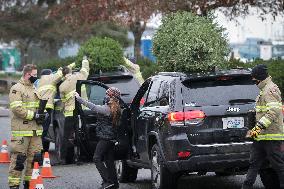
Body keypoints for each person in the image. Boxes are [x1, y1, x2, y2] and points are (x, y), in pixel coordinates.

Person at [242, 64, 284, 189]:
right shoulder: (263, 90)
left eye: (254, 78)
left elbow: (273, 112)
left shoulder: (270, 90)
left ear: (259, 77)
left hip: (272, 137)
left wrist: (257, 128)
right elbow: (262, 113)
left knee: (279, 166)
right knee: (253, 164)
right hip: (260, 137)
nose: (253, 81)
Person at [75, 87, 121, 189]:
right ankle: (114, 184)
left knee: (96, 158)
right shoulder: (116, 107)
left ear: (110, 97)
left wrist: (79, 99)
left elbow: (94, 107)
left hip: (106, 138)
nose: (105, 96)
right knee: (109, 160)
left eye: (107, 94)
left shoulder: (107, 109)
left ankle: (108, 181)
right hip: (111, 138)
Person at [8, 64, 46, 189]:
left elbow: (37, 108)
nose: (36, 77)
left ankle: (29, 184)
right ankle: (14, 186)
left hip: (35, 132)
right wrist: (34, 116)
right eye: (34, 75)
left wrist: (42, 115)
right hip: (22, 132)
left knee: (35, 160)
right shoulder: (17, 88)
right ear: (27, 74)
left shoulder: (34, 89)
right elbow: (17, 108)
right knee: (18, 161)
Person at [37, 63, 75, 152]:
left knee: (41, 131)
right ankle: (38, 152)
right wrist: (72, 65)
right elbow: (61, 73)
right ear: (50, 74)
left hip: (40, 108)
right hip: (47, 107)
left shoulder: (39, 82)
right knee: (44, 130)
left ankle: (37, 150)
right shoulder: (50, 78)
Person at [59, 58, 89, 164]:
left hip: (69, 113)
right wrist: (84, 60)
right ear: (71, 72)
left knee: (67, 136)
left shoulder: (62, 86)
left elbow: (63, 101)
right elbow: (85, 69)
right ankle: (81, 157)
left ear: (63, 75)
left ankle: (63, 158)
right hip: (81, 112)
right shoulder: (79, 76)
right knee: (82, 134)